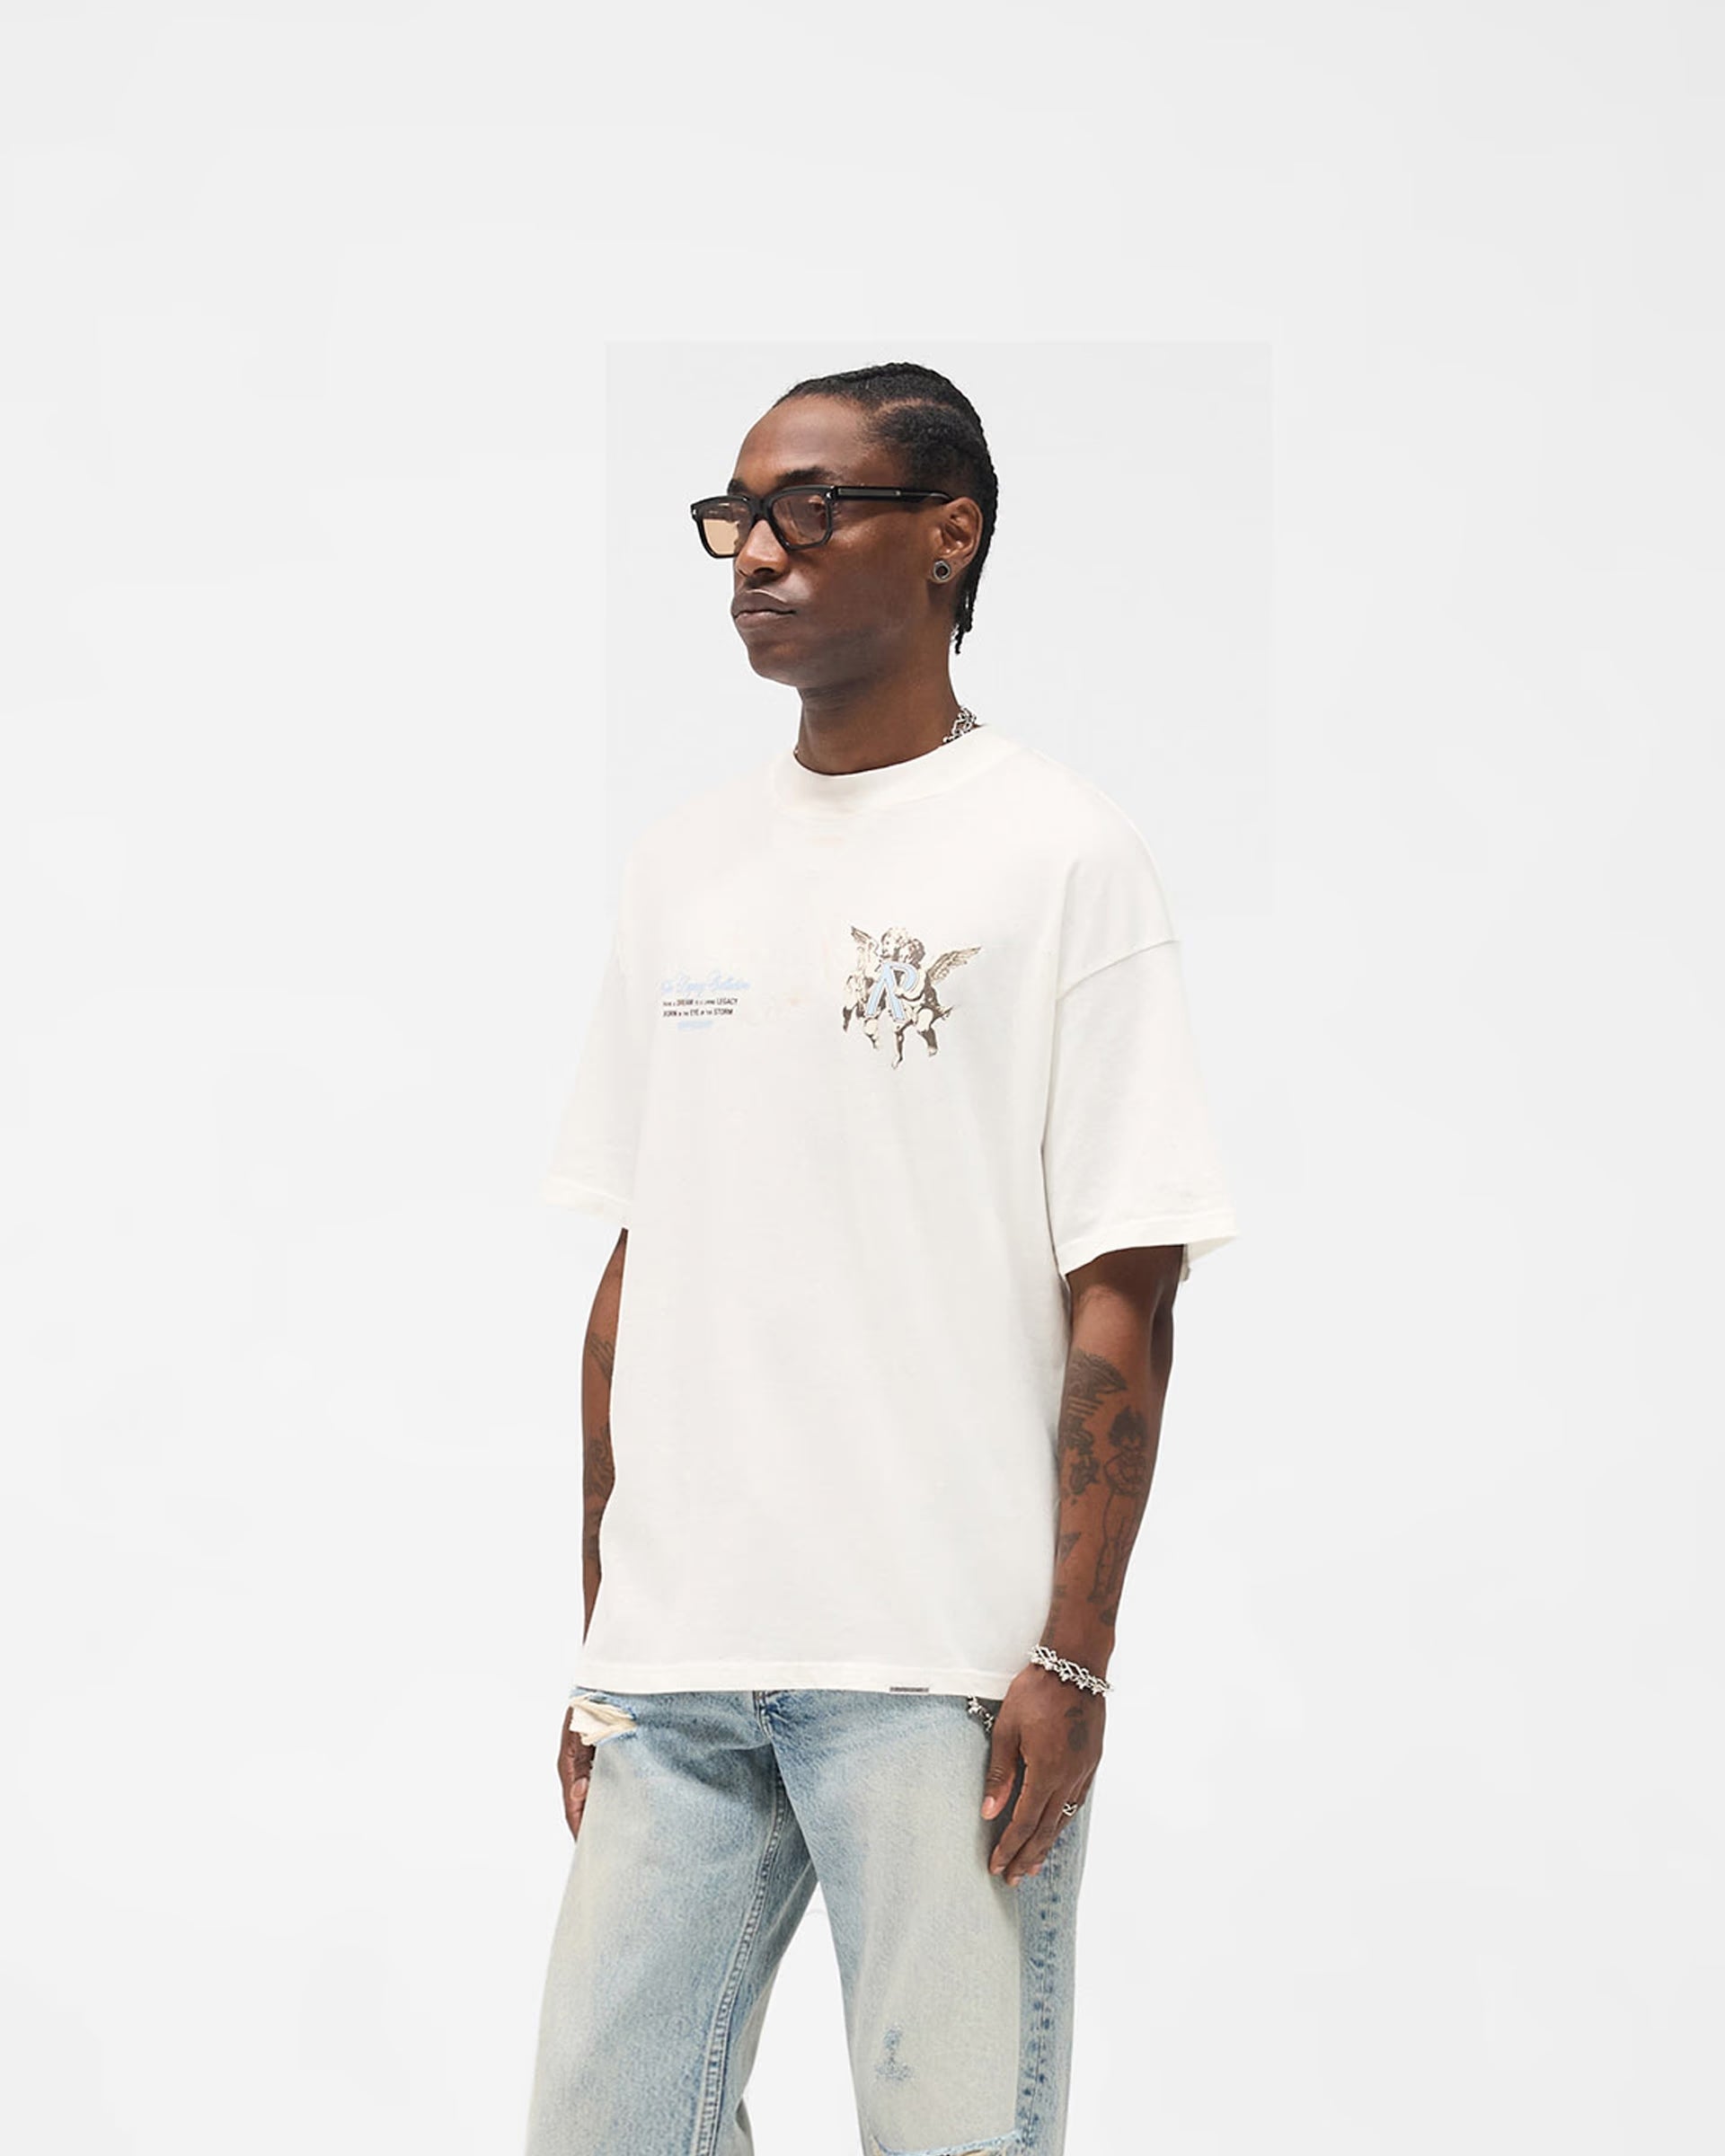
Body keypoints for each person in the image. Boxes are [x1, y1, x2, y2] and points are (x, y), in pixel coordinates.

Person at [523, 361, 1240, 2156]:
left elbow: (1126, 1287)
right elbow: (636, 1270)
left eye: (810, 508)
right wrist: (605, 1634)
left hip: (944, 1674)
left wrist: (1073, 1655)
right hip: (678, 1669)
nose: (758, 554)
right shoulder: (682, 870)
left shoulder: (1063, 856)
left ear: (949, 536)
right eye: (736, 518)